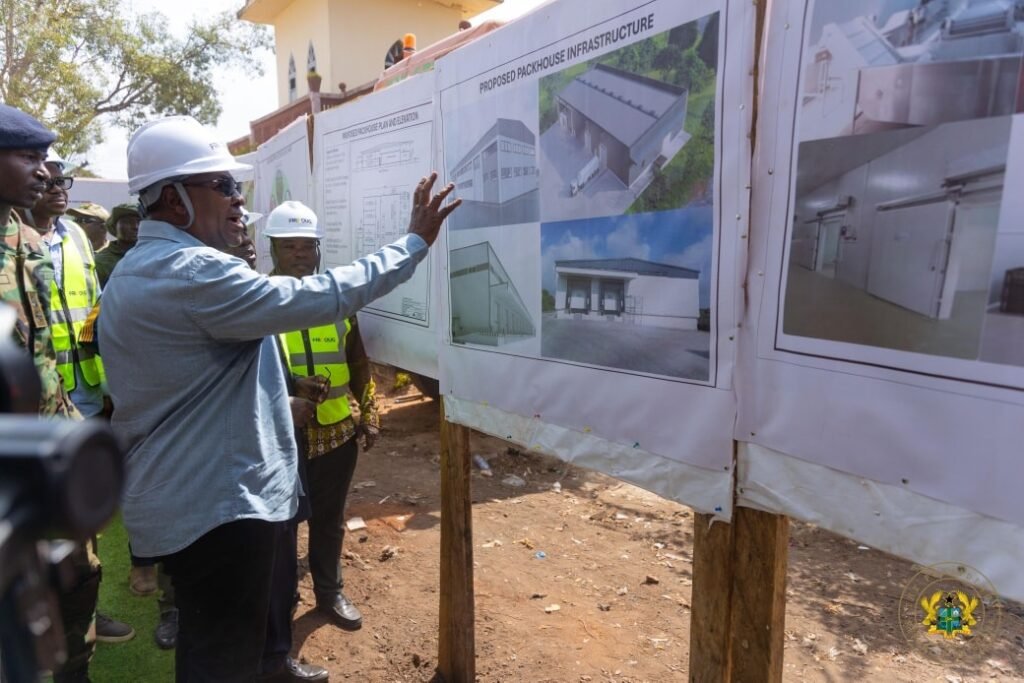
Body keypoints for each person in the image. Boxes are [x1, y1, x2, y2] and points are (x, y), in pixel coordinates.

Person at [99, 114, 459, 681]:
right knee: (222, 661)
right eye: (223, 185)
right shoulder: (191, 271)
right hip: (218, 509)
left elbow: (197, 386)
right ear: (173, 198)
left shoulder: (141, 269)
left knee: (232, 638)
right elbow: (324, 295)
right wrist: (412, 244)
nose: (237, 199)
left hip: (199, 495)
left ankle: (273, 664)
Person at [0, 103, 131, 682]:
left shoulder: (27, 238)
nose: (43, 170)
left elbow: (43, 349)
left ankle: (77, 665)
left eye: (45, 158)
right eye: (28, 156)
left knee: (78, 571)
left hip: (51, 433)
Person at [265, 201, 377, 632]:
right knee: (281, 525)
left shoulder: (338, 300)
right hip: (280, 434)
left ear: (318, 249)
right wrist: (292, 384)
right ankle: (282, 600)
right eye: (289, 245)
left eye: (307, 245)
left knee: (329, 521)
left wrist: (369, 409)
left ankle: (329, 593)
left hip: (335, 432)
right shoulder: (258, 299)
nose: (300, 253)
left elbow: (358, 360)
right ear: (272, 248)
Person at [94, 202, 141, 287]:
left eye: (140, 222)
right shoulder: (101, 262)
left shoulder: (153, 255)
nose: (135, 227)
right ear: (114, 226)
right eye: (128, 222)